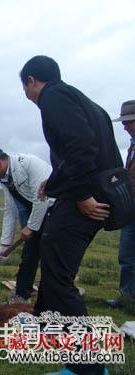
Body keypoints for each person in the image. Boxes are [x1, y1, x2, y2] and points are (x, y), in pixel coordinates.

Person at [20, 55, 122, 375]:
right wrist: (57, 179)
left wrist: (81, 194)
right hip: (93, 194)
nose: (27, 94)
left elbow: (82, 148)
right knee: (53, 271)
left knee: (59, 279)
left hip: (85, 201)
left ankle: (89, 367)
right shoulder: (87, 102)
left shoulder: (53, 97)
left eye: (25, 87)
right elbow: (96, 151)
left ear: (31, 81)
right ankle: (63, 348)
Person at [0, 146, 53, 304]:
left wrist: (31, 227)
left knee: (51, 256)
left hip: (55, 209)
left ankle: (54, 298)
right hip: (34, 213)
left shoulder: (30, 164)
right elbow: (10, 210)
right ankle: (21, 297)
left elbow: (42, 199)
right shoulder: (4, 179)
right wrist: (5, 244)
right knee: (28, 256)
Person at [106, 100, 135, 308]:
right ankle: (127, 297)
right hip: (131, 211)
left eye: (129, 122)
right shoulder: (132, 145)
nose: (125, 127)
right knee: (126, 256)